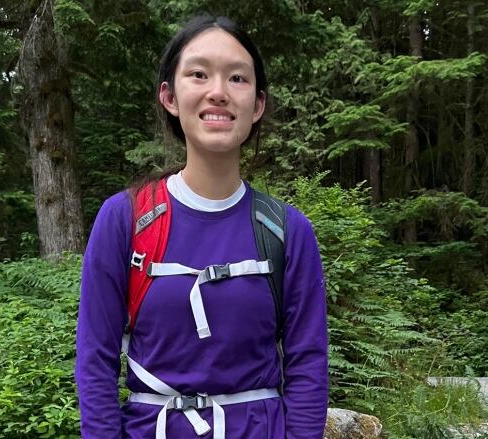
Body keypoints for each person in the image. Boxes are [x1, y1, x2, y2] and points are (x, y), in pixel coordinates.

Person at [75, 15, 329, 439]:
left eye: (237, 78)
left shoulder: (287, 229)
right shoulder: (125, 218)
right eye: (198, 74)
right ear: (170, 97)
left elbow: (308, 362)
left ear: (258, 103)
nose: (218, 92)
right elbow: (95, 359)